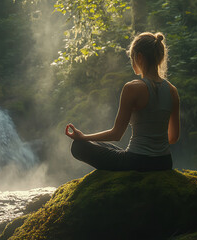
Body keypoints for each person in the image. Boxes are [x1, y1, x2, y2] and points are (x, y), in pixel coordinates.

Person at [65, 32, 180, 172]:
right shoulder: (172, 91)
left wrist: (83, 137)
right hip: (164, 162)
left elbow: (116, 134)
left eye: (132, 57)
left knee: (79, 146)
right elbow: (173, 137)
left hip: (136, 162)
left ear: (139, 57)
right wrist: (154, 146)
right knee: (98, 144)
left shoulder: (132, 88)